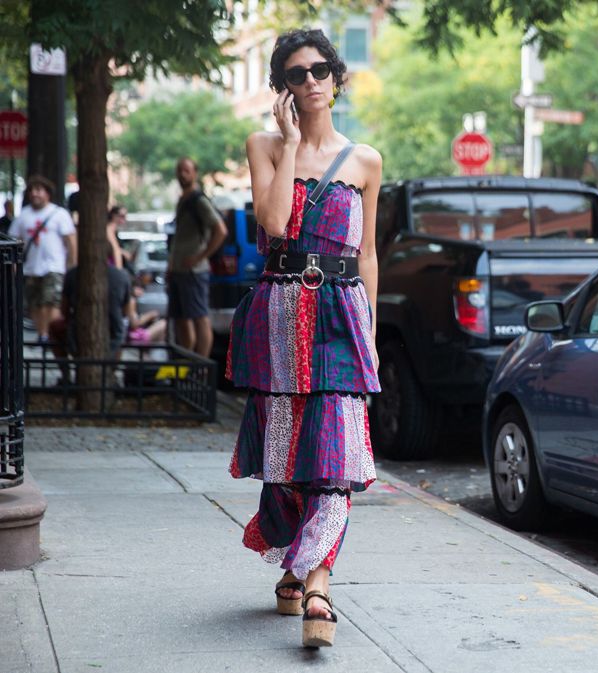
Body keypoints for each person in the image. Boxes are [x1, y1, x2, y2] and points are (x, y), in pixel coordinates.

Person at [225, 28, 382, 649]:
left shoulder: (365, 160)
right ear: (282, 88)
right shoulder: (264, 144)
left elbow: (367, 253)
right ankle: (294, 560)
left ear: (337, 79)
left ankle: (318, 582)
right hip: (282, 314)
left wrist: (370, 327)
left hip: (343, 315)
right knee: (287, 455)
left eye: (321, 69)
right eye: (296, 73)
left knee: (336, 456)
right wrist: (290, 143)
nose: (311, 79)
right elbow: (271, 222)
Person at [166, 157, 227, 358]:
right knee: (182, 318)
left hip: (194, 271)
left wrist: (200, 257)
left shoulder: (199, 201)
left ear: (195, 173)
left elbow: (221, 230)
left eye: (187, 170)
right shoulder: (183, 199)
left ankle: (201, 368)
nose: (182, 174)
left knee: (200, 317)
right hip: (178, 270)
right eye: (180, 170)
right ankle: (187, 364)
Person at [8, 175, 77, 341]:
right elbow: (14, 242)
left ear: (47, 193)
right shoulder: (23, 216)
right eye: (31, 190)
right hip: (31, 268)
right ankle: (42, 335)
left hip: (54, 267)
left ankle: (51, 336)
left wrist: (72, 265)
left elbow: (71, 242)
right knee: (35, 304)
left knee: (51, 302)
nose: (34, 194)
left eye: (38, 190)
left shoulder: (59, 214)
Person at [50, 243, 131, 380]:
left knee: (53, 328)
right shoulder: (122, 276)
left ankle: (65, 375)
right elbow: (126, 311)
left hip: (77, 330)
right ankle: (110, 373)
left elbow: (64, 310)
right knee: (122, 331)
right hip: (114, 329)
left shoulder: (72, 274)